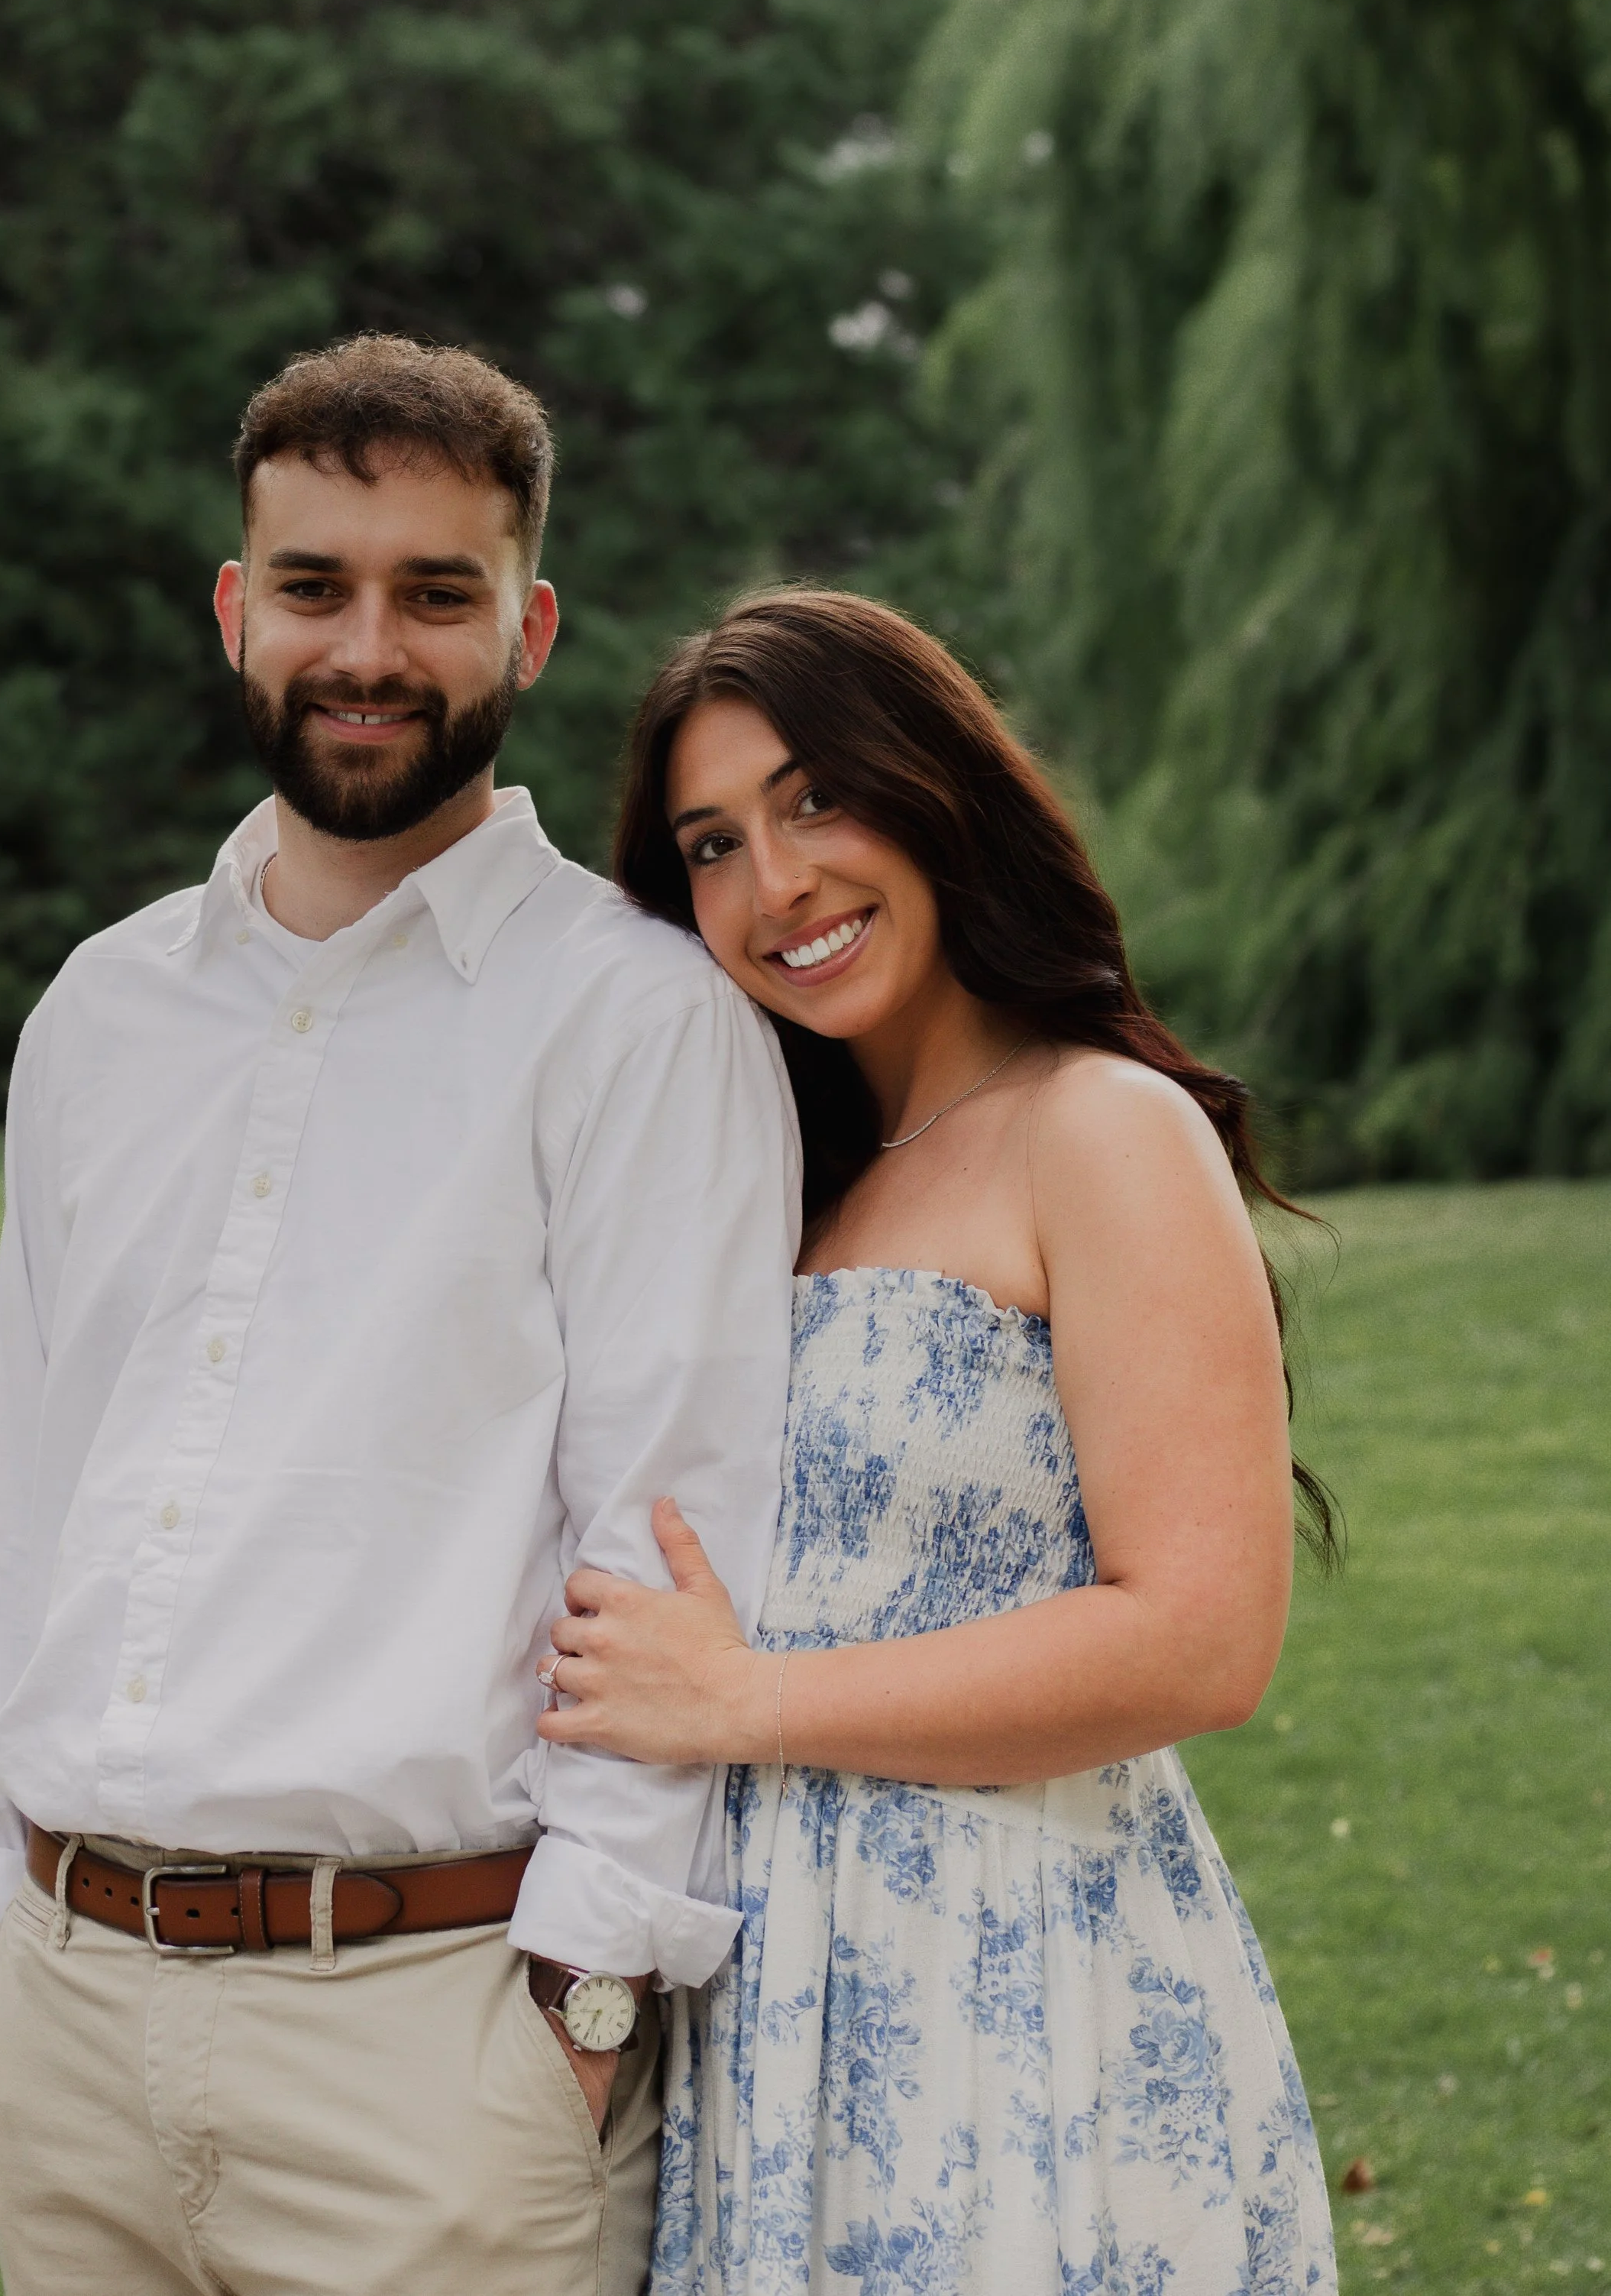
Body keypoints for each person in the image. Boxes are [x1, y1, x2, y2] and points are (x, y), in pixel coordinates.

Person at [0, 336, 801, 2296]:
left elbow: (672, 1517)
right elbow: (31, 1486)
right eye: (315, 586)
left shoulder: (635, 1017)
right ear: (239, 610)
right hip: (61, 2017)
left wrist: (571, 2013)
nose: (368, 647)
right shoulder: (102, 1008)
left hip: (429, 2042)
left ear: (530, 625)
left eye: (435, 593)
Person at [530, 588, 1340, 2295]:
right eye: (710, 844)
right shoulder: (791, 1179)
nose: (775, 884)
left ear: (935, 783)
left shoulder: (1095, 1129)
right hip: (782, 1995)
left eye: (816, 796)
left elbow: (1201, 1634)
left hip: (1021, 1979)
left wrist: (751, 1700)